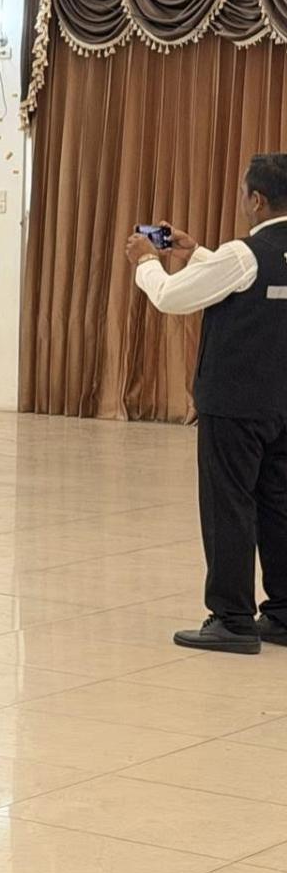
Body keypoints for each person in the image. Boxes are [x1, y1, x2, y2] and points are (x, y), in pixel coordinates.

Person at [127, 154, 287, 654]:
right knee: (279, 506)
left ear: (256, 199)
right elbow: (249, 285)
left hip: (235, 403)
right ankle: (282, 614)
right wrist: (197, 252)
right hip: (281, 403)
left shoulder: (244, 252)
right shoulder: (250, 256)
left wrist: (146, 263)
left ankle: (232, 618)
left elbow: (173, 298)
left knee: (229, 505)